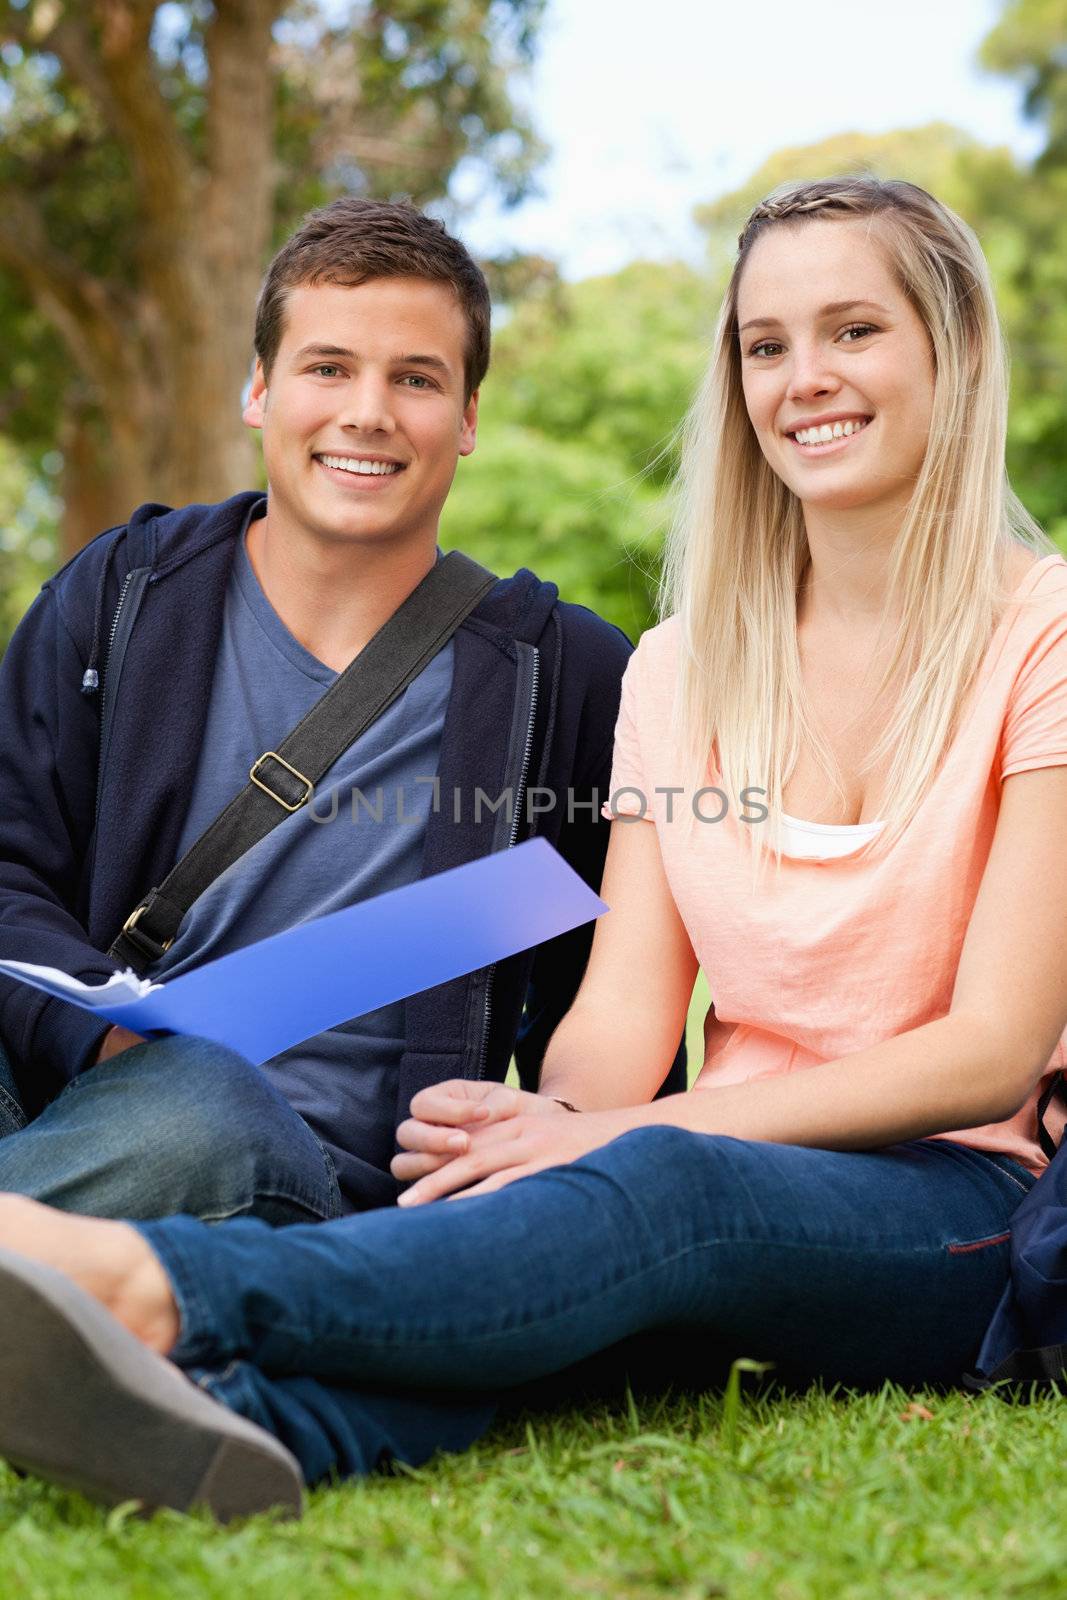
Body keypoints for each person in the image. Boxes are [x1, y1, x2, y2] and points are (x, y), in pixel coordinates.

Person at [0, 175, 1064, 1521]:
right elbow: (619, 1005)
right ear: (260, 388)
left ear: (953, 352)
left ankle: (140, 1288)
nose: (804, 378)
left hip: (942, 1186)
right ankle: (220, 1426)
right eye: (764, 344)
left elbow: (990, 1050)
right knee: (530, 1276)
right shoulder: (676, 671)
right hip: (668, 1165)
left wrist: (616, 1135)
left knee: (634, 1185)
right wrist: (543, 1122)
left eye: (852, 331)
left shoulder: (1029, 636)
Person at [0, 197, 678, 1225]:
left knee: (204, 1108)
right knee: (172, 1092)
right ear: (260, 391)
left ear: (467, 419)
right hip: (74, 1093)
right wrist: (108, 1038)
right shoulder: (127, 593)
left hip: (301, 1183)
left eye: (415, 378)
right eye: (328, 368)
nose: (367, 411)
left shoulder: (562, 673)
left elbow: (621, 999)